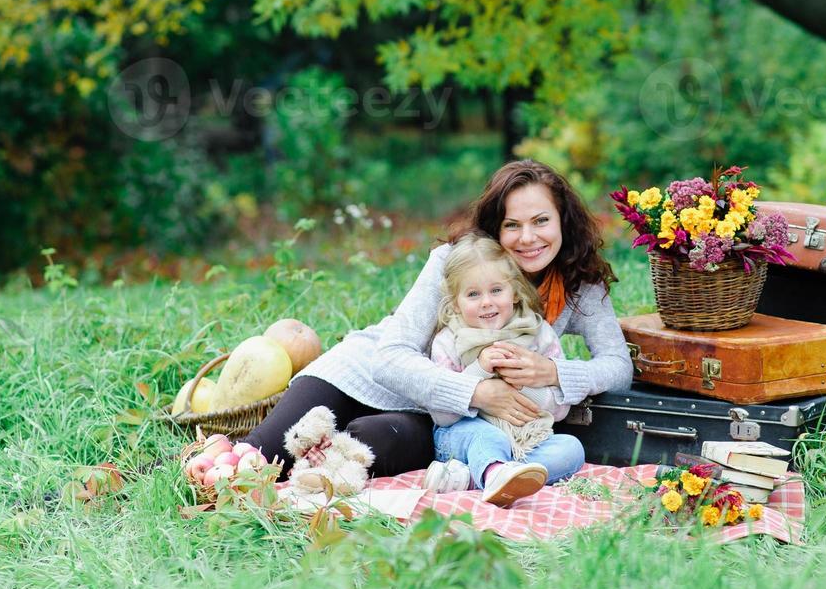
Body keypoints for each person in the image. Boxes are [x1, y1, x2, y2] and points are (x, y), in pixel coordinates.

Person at [240, 159, 632, 482]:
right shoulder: (454, 261)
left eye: (541, 221)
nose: (528, 238)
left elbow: (618, 367)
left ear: (563, 220)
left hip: (432, 415)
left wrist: (553, 372)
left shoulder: (580, 283)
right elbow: (389, 357)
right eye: (512, 225)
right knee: (257, 458)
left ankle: (323, 463)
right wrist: (476, 392)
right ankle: (218, 464)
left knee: (368, 444)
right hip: (361, 374)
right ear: (496, 228)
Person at [420, 233, 584, 506]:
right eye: (473, 294)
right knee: (487, 435)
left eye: (496, 290)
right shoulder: (449, 341)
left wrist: (526, 384)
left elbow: (560, 409)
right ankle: (494, 472)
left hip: (527, 439)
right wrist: (481, 370)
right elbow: (442, 416)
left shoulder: (538, 333)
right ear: (455, 301)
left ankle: (477, 478)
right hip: (461, 436)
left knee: (571, 449)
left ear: (515, 291)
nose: (487, 302)